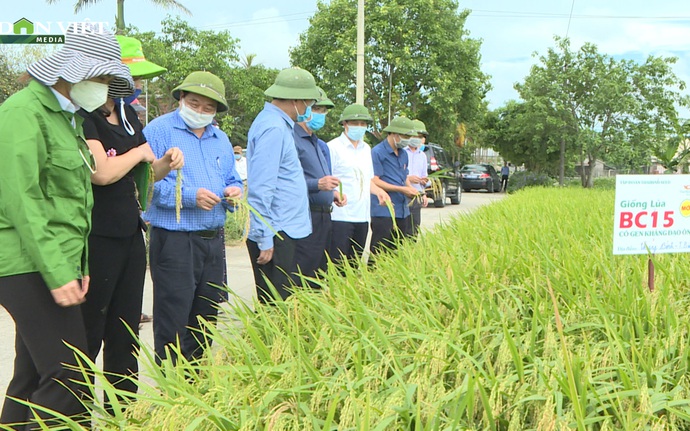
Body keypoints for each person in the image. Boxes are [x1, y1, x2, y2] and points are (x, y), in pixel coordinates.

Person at [0, 24, 134, 429]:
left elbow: (75, 204)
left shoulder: (68, 119)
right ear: (74, 71)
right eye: (103, 78)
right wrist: (59, 273)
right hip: (24, 261)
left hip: (55, 259)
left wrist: (81, 265)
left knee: (32, 374)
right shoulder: (22, 113)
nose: (107, 88)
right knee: (69, 375)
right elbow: (22, 202)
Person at [77, 35, 182, 401]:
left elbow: (140, 176)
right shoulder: (84, 118)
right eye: (131, 76)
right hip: (98, 237)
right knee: (90, 330)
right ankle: (76, 415)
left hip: (130, 233)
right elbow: (101, 173)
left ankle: (126, 411)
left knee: (125, 331)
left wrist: (164, 165)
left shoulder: (128, 116)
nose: (137, 84)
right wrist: (140, 152)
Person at [143, 71, 243, 363]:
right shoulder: (159, 131)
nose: (200, 111)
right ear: (182, 99)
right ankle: (170, 389)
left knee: (206, 317)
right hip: (175, 241)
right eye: (194, 103)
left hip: (212, 241)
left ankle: (196, 385)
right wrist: (189, 197)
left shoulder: (220, 139)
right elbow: (147, 184)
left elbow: (233, 177)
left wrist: (233, 191)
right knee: (173, 317)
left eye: (208, 108)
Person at [246, 67, 320, 303]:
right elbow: (261, 188)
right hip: (276, 233)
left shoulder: (279, 125)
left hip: (283, 230)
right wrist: (264, 237)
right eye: (308, 102)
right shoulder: (274, 128)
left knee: (285, 305)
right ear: (296, 100)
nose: (309, 108)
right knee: (276, 308)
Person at [293, 87, 346, 287]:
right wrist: (318, 184)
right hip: (306, 215)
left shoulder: (320, 144)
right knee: (304, 274)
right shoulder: (293, 139)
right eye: (316, 109)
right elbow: (289, 183)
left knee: (321, 274)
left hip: (325, 216)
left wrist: (332, 193)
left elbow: (322, 180)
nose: (320, 115)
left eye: (324, 111)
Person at [327, 104, 389, 264]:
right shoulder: (332, 147)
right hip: (340, 217)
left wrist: (379, 192)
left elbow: (367, 180)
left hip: (362, 217)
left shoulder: (366, 149)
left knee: (354, 265)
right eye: (355, 123)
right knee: (338, 266)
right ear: (345, 124)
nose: (359, 127)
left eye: (363, 124)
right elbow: (327, 181)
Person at [370, 116, 419, 256]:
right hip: (384, 210)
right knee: (379, 252)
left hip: (402, 210)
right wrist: (401, 189)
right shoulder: (377, 152)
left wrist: (409, 188)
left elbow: (404, 177)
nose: (408, 139)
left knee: (397, 252)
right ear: (394, 134)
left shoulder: (403, 154)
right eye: (405, 136)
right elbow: (374, 180)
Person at [405, 119, 430, 237]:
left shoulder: (423, 156)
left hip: (416, 197)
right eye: (415, 135)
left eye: (420, 136)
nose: (418, 138)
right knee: (402, 229)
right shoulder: (402, 152)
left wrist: (424, 193)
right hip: (403, 195)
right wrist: (408, 179)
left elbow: (424, 176)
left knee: (414, 230)